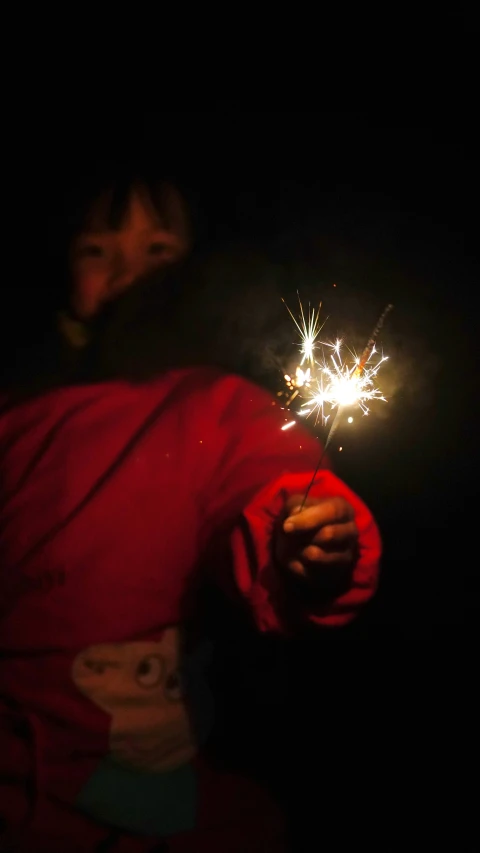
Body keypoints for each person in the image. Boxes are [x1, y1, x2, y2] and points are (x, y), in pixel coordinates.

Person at [0, 170, 381, 853]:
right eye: (97, 249)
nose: (125, 270)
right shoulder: (16, 415)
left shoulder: (213, 405)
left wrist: (308, 538)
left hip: (138, 808)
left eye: (157, 252)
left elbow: (269, 480)